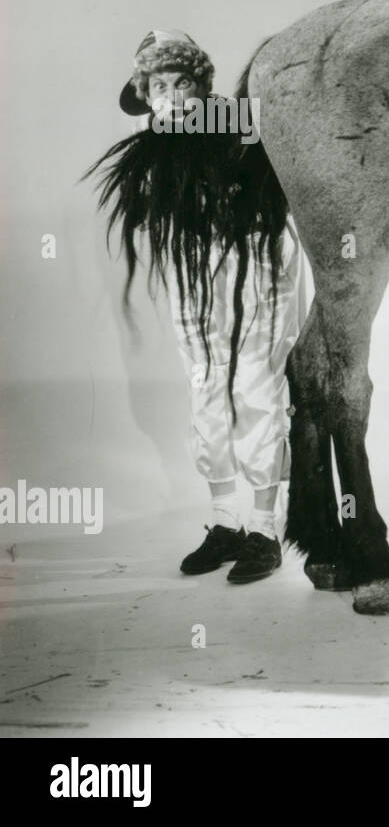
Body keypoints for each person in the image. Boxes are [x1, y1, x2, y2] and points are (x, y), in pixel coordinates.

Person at [87, 30, 306, 583]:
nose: (172, 92)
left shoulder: (236, 123)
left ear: (201, 83)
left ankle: (265, 530)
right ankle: (225, 523)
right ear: (148, 91)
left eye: (181, 80)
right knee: (207, 387)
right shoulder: (158, 146)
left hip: (253, 264)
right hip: (195, 273)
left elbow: (274, 189)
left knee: (254, 386)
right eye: (159, 83)